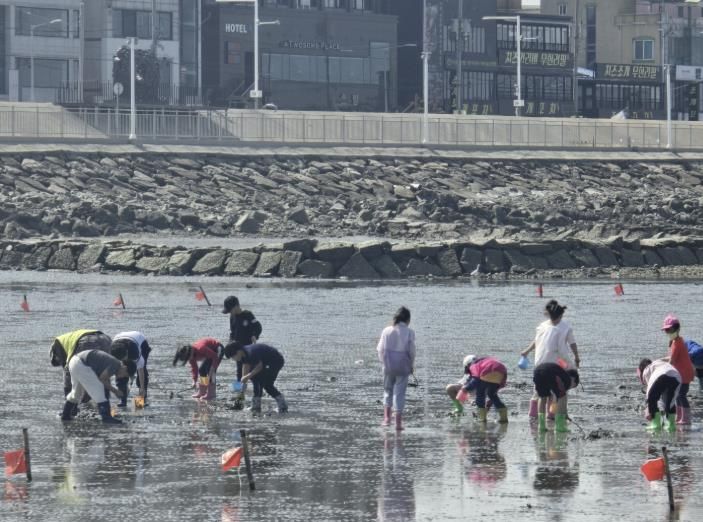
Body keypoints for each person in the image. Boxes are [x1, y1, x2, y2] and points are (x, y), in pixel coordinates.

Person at [521, 300, 580, 418]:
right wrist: (577, 357)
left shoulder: (543, 326)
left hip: (540, 362)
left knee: (539, 390)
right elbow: (572, 344)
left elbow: (536, 341)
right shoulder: (565, 327)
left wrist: (527, 351)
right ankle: (552, 414)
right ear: (561, 315)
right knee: (558, 389)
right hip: (557, 361)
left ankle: (533, 415)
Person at [60, 349, 128, 424]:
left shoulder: (114, 363)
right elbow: (102, 379)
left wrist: (113, 390)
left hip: (74, 361)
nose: (122, 377)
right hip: (82, 363)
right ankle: (106, 418)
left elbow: (104, 379)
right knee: (99, 391)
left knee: (76, 393)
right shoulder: (115, 365)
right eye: (125, 375)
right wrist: (116, 391)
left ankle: (65, 415)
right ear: (125, 368)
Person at [376, 306, 416, 431]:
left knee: (388, 391)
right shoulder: (409, 332)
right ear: (408, 319)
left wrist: (384, 362)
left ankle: (387, 419)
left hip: (388, 366)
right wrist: (411, 365)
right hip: (403, 367)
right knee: (399, 394)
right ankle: (398, 423)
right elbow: (412, 351)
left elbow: (380, 349)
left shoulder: (386, 330)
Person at [224, 342, 287, 413]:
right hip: (264, 362)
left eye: (233, 357)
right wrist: (243, 382)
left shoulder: (251, 353)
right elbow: (246, 365)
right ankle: (256, 406)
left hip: (275, 361)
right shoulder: (243, 354)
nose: (233, 359)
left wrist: (247, 376)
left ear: (238, 351)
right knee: (255, 379)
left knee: (267, 385)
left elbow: (259, 367)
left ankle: (282, 406)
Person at [448, 355, 509, 423]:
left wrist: (465, 389)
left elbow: (475, 379)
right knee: (492, 395)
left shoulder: (474, 365)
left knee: (480, 394)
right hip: (502, 371)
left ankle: (482, 419)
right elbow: (500, 382)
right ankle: (503, 418)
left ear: (468, 365)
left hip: (487, 372)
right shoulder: (486, 361)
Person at [660, 315, 694, 425]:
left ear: (677, 329)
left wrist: (663, 370)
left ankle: (686, 418)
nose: (669, 332)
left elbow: (672, 361)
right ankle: (679, 416)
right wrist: (660, 360)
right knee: (677, 395)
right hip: (680, 374)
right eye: (667, 330)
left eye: (670, 330)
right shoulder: (676, 341)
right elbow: (671, 358)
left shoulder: (677, 343)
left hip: (684, 374)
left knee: (681, 395)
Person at [223, 296, 262, 388]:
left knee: (251, 368)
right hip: (237, 349)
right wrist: (230, 343)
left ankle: (258, 388)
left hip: (248, 348)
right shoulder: (232, 317)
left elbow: (258, 327)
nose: (230, 312)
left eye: (230, 310)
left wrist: (254, 335)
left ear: (236, 306)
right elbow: (232, 332)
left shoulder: (248, 314)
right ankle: (239, 389)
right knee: (239, 370)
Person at [532, 362, 580, 433]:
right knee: (562, 397)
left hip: (537, 371)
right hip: (549, 372)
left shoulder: (560, 373)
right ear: (573, 380)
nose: (569, 388)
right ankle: (560, 427)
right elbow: (560, 399)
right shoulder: (567, 379)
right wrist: (564, 414)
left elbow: (555, 397)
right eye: (573, 386)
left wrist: (565, 413)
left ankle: (541, 426)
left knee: (542, 397)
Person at [638, 358, 681, 432]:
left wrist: (648, 409)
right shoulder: (658, 362)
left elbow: (650, 391)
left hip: (661, 376)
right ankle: (671, 425)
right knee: (670, 401)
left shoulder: (647, 369)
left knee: (652, 399)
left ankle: (656, 424)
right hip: (676, 376)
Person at [111, 331, 152, 407]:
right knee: (121, 373)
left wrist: (142, 387)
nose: (124, 361)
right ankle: (123, 400)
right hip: (120, 340)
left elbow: (141, 370)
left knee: (142, 370)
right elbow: (118, 373)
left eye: (124, 359)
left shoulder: (134, 352)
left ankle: (141, 398)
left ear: (126, 353)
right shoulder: (112, 353)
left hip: (141, 342)